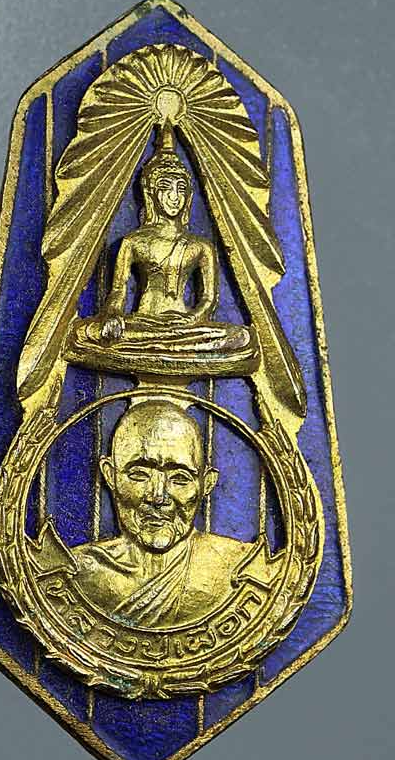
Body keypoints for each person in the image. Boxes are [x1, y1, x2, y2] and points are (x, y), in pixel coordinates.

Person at [65, 122, 259, 379]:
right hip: (143, 323)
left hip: (185, 327)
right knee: (83, 333)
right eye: (166, 188)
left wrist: (194, 319)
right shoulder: (134, 242)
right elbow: (118, 292)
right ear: (151, 194)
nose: (174, 197)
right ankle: (164, 351)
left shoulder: (201, 246)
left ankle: (160, 350)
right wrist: (113, 315)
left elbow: (208, 298)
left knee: (242, 338)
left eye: (181, 189)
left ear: (189, 196)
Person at [73, 400, 253, 628]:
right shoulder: (79, 571)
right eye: (139, 474)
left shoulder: (238, 567)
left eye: (180, 478)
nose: (158, 496)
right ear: (110, 475)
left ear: (206, 483)